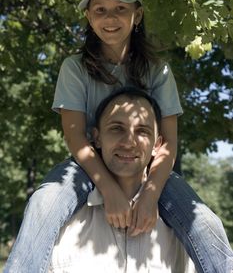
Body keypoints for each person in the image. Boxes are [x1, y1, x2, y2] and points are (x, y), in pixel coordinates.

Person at [4, 0, 233, 273]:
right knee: (43, 202)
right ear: (88, 15)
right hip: (85, 164)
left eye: (121, 9)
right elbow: (75, 139)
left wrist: (151, 193)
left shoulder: (158, 71)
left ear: (137, 15)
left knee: (205, 222)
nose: (110, 18)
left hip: (148, 164)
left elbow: (168, 143)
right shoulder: (74, 68)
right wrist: (110, 191)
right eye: (100, 10)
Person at [48, 86, 196, 272]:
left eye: (142, 131)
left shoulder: (182, 229)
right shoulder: (61, 224)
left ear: (156, 146)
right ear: (97, 138)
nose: (128, 142)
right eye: (116, 128)